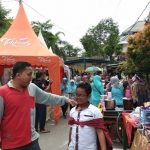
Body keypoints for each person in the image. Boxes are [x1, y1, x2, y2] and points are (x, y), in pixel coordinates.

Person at [0, 61, 76, 150]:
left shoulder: (31, 88)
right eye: (29, 74)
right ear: (18, 75)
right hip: (11, 144)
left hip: (32, 141)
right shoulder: (3, 92)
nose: (31, 77)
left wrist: (65, 100)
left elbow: (47, 97)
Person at [67, 82, 113, 150]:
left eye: (81, 95)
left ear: (89, 96)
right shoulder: (73, 111)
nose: (78, 97)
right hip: (72, 147)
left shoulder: (94, 111)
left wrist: (103, 148)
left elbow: (100, 132)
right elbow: (71, 129)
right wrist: (69, 144)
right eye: (76, 95)